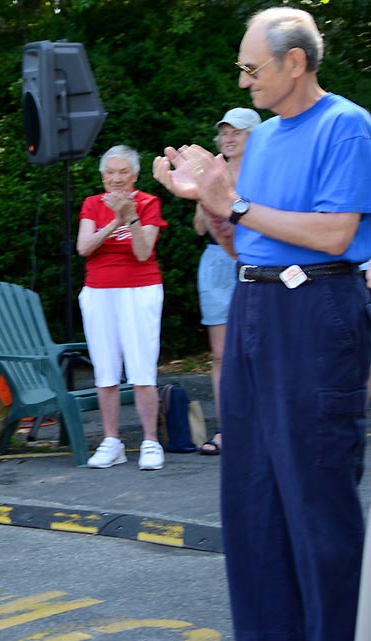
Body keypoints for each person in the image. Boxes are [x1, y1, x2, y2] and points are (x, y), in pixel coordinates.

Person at [153, 8, 371, 640]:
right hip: (255, 306)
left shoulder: (347, 126)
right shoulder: (267, 137)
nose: (243, 79)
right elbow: (245, 244)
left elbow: (335, 234)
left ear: (295, 62)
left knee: (315, 495)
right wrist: (210, 207)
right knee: (254, 497)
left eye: (252, 66)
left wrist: (236, 202)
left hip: (317, 312)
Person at [76, 145, 168, 471]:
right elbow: (84, 247)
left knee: (142, 369)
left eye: (123, 172)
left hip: (140, 288)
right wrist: (116, 222)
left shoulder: (148, 203)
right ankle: (112, 441)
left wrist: (132, 217)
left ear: (135, 176)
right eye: (110, 173)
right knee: (105, 370)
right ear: (102, 177)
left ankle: (150, 441)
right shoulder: (91, 204)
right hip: (99, 291)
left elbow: (143, 253)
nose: (116, 179)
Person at [194, 108, 261, 455]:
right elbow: (199, 227)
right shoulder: (213, 173)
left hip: (256, 261)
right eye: (224, 132)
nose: (229, 138)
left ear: (256, 135)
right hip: (216, 263)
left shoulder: (265, 172)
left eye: (237, 132)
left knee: (260, 349)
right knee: (221, 354)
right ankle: (226, 429)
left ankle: (261, 425)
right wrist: (206, 192)